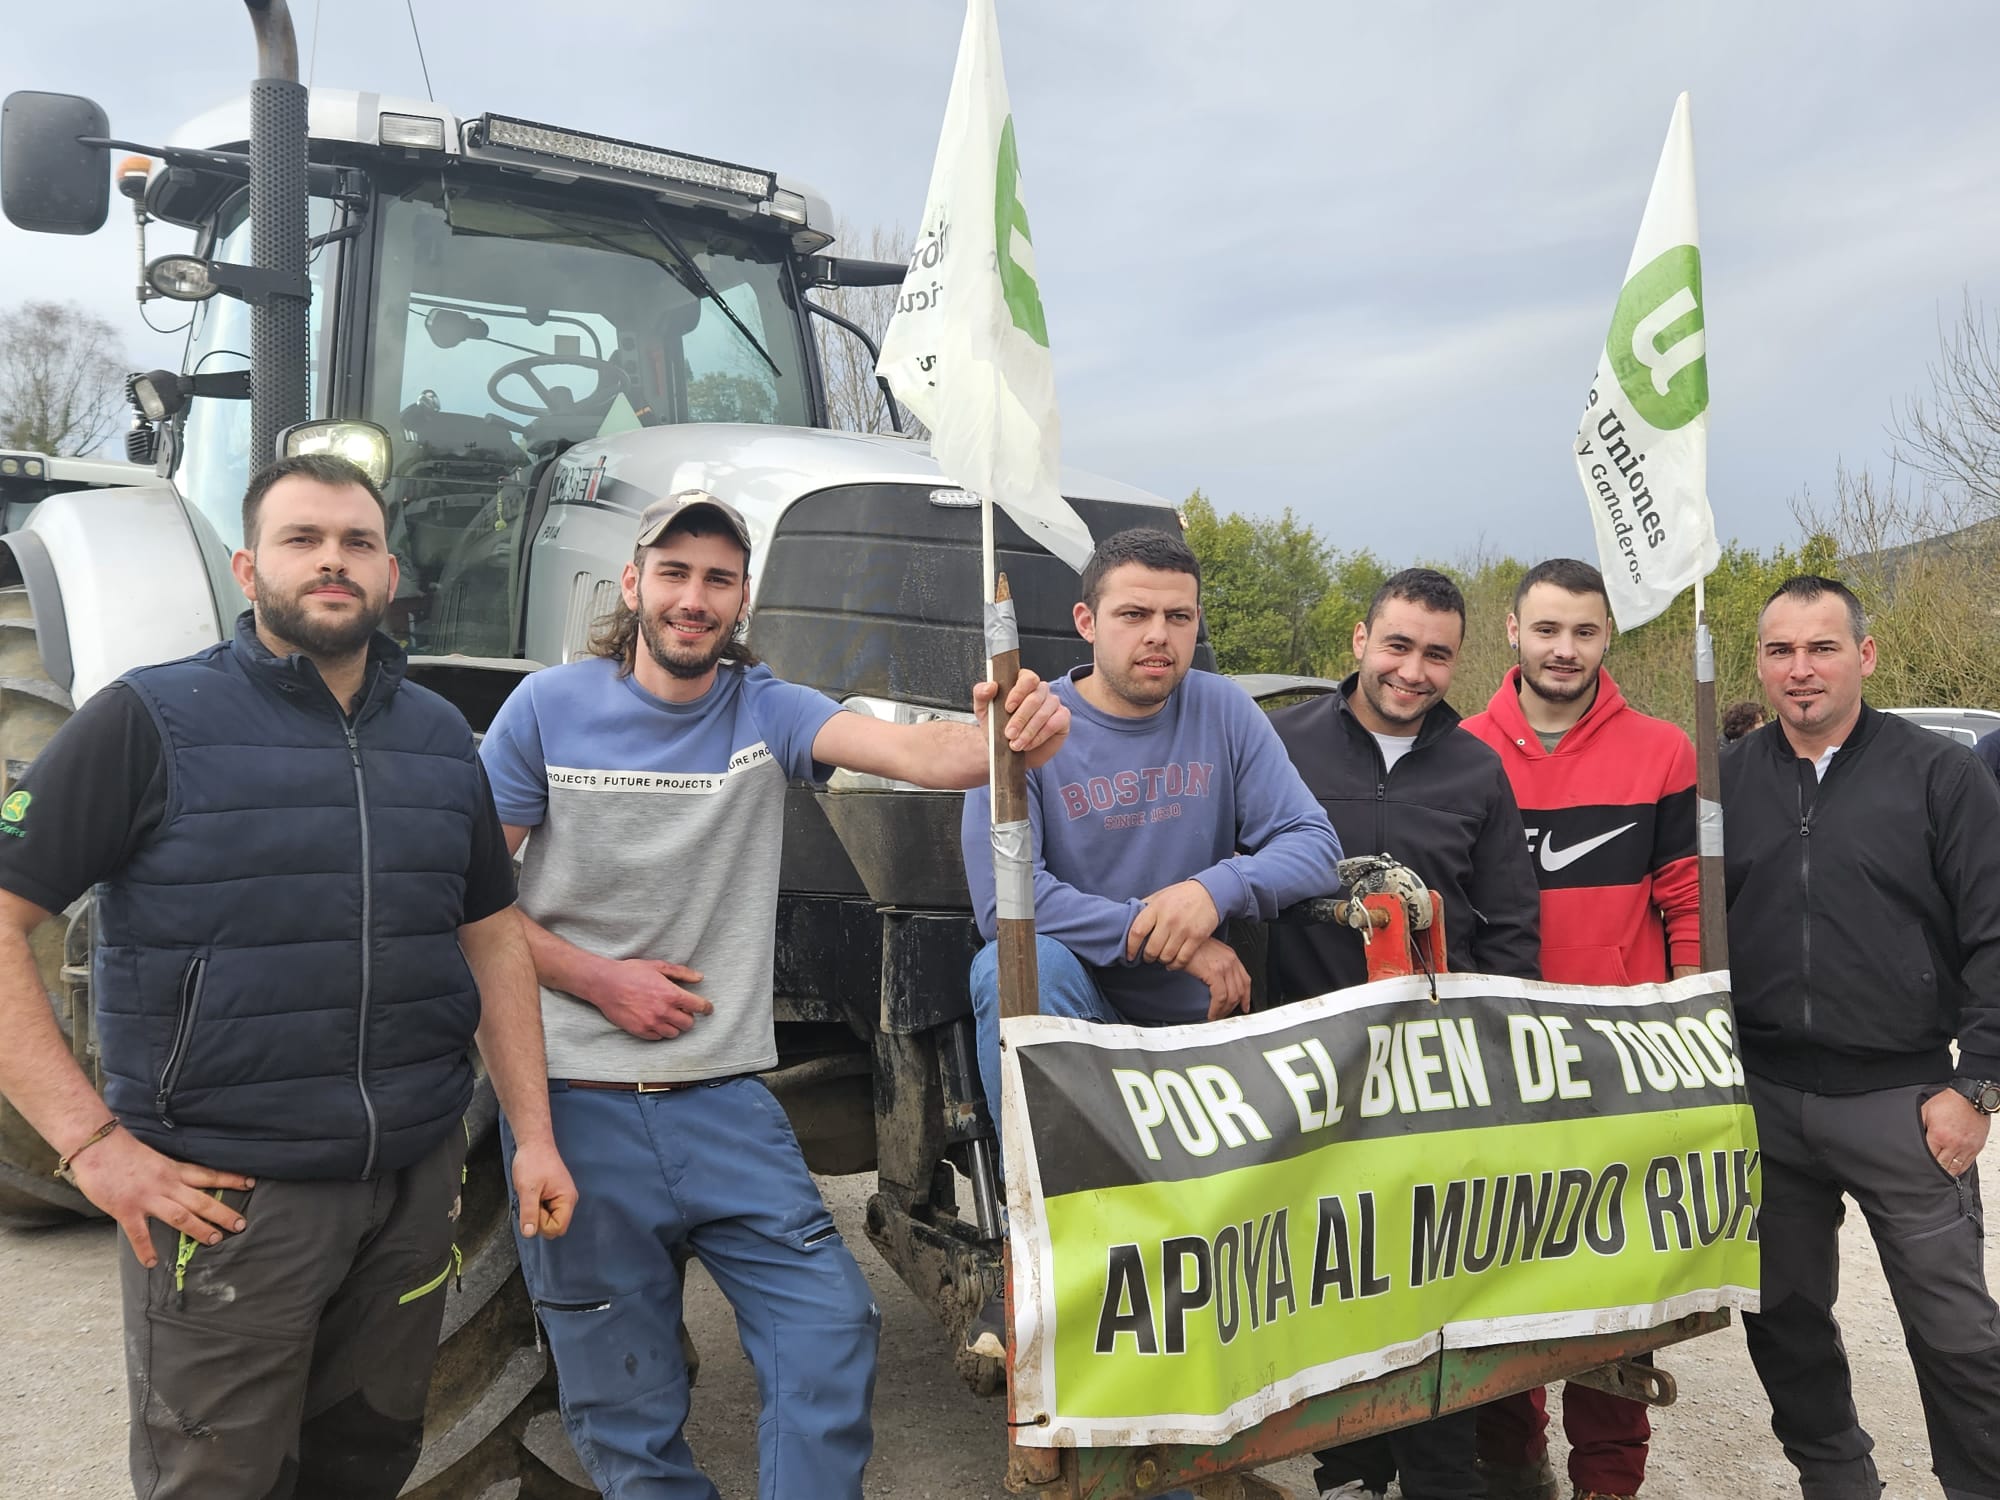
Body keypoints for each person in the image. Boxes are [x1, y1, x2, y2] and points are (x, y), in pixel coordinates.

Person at [0, 453, 575, 1499]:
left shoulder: (440, 740)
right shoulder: (148, 720)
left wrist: (532, 1135)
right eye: (302, 539)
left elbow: (492, 936)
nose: (332, 561)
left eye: (357, 542)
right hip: (231, 1202)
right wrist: (90, 1146)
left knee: (368, 1464)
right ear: (246, 566)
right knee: (217, 1481)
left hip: (409, 1191)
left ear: (390, 572)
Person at [478, 488, 1070, 1499]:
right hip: (575, 1099)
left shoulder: (765, 708)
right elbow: (472, 905)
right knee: (623, 1396)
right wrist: (596, 978)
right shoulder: (544, 710)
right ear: (632, 584)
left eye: (718, 579)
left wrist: (1010, 728)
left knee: (828, 1329)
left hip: (723, 1100)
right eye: (673, 573)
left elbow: (922, 755)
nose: (693, 598)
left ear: (742, 598)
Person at [958, 525, 1342, 1357]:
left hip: (1205, 1036)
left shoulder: (1223, 710)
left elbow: (1314, 843)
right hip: (1083, 1022)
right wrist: (1153, 931)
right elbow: (1004, 904)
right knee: (1012, 965)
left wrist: (1214, 891)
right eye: (1134, 614)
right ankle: (1036, 1255)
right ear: (1086, 622)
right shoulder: (1029, 727)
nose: (1159, 635)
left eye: (1179, 617)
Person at [1722, 574, 2000, 1500]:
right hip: (1766, 1100)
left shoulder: (1940, 775)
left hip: (1903, 1101)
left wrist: (1979, 1085)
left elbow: (1995, 931)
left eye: (1822, 648)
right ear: (1760, 664)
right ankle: (1837, 1481)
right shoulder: (1725, 783)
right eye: (1780, 651)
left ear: (1865, 656)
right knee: (1784, 1321)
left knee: (1956, 1333)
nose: (1801, 670)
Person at [1267, 566, 1540, 1500]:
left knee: (1436, 1273)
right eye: (1397, 645)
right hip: (1307, 1061)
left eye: (1436, 654)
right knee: (1326, 1265)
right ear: (1360, 640)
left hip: (1432, 1071)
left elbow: (1510, 924)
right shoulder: (1282, 744)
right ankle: (1347, 1466)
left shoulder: (1478, 768)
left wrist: (1499, 1048)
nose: (1413, 671)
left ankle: (1440, 1475)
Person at [1460, 557, 1700, 1500]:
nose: (1565, 649)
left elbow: (1685, 902)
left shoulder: (1664, 750)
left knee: (1615, 1290)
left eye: (1585, 631)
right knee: (1497, 1277)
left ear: (1609, 637)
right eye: (1548, 629)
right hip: (1494, 1062)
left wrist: (1693, 1030)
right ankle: (1512, 1464)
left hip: (1621, 1064)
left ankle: (1608, 1481)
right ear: (1513, 632)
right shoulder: (1463, 748)